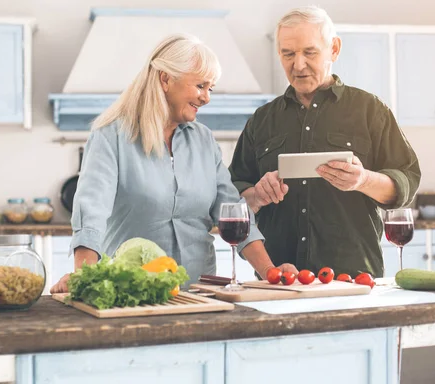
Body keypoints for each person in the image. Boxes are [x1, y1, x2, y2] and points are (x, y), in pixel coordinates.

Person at [51, 33, 297, 293]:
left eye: (209, 88)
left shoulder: (203, 141)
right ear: (165, 79)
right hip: (134, 294)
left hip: (200, 294)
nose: (206, 98)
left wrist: (270, 270)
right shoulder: (110, 136)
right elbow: (91, 214)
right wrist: (85, 278)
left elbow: (234, 213)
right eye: (200, 86)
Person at [228, 6, 421, 278]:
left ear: (334, 49)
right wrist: (258, 195)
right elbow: (232, 198)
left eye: (309, 52)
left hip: (355, 279)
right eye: (288, 54)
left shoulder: (370, 110)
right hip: (278, 280)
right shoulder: (262, 120)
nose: (298, 65)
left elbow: (407, 182)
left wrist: (363, 180)